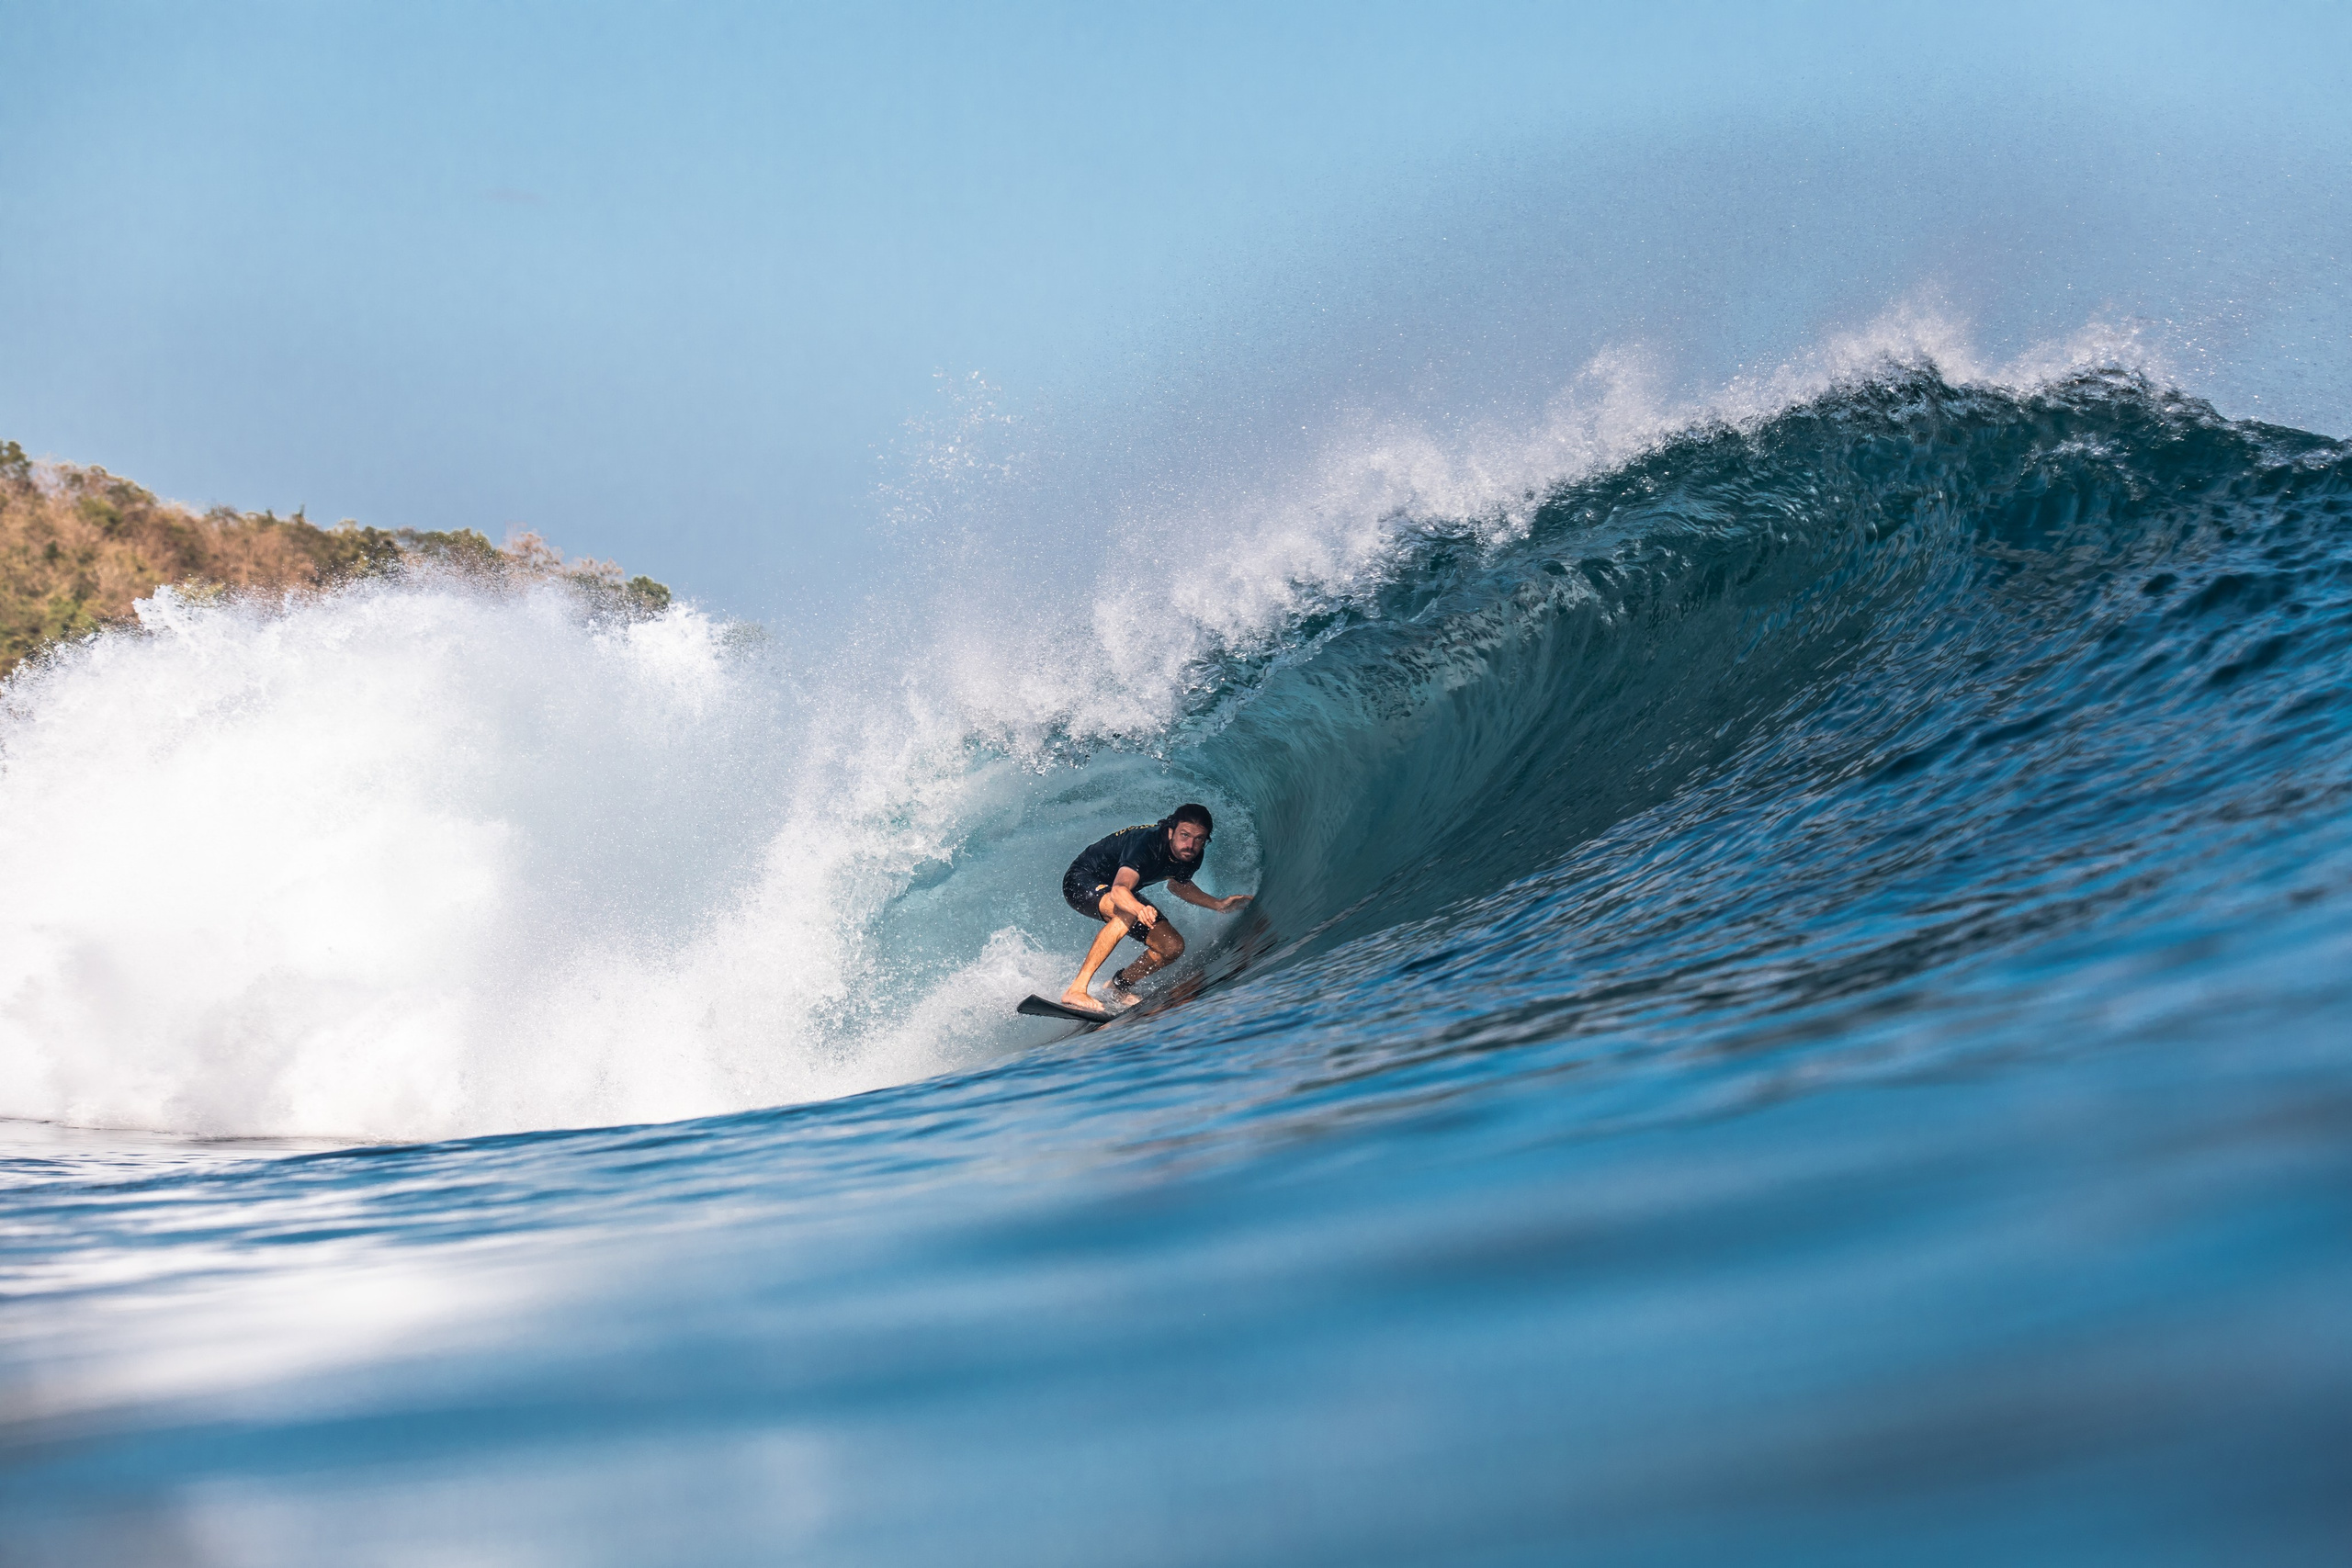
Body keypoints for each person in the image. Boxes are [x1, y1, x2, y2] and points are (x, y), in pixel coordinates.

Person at [1060, 803, 1251, 1012]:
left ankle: (1119, 986)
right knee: (1127, 912)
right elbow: (1119, 890)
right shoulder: (1146, 844)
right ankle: (1076, 989)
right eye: (1185, 835)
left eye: (1199, 839)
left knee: (1172, 946)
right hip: (1082, 881)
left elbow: (1178, 885)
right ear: (1171, 831)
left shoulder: (1191, 854)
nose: (1190, 844)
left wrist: (1218, 904)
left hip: (1120, 890)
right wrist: (1137, 908)